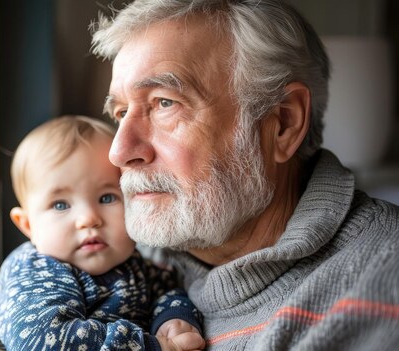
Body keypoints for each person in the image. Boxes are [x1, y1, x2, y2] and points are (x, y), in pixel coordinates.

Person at [89, 0, 399, 350]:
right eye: (121, 112)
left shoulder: (380, 288)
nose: (120, 151)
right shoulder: (117, 254)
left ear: (283, 123)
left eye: (165, 103)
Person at [0, 115, 205, 351]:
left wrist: (173, 318)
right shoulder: (35, 270)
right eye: (61, 205)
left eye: (107, 198)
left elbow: (166, 288)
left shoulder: (134, 263)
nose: (88, 218)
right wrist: (154, 346)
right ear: (28, 225)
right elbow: (47, 340)